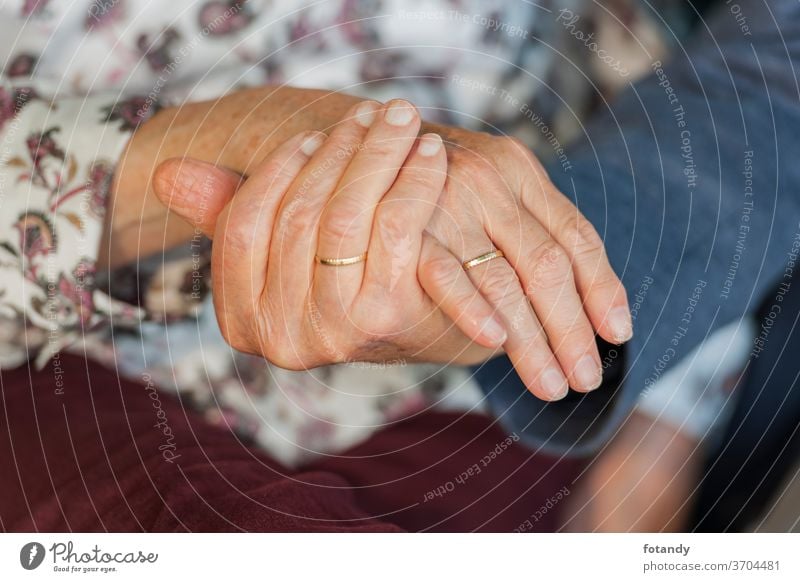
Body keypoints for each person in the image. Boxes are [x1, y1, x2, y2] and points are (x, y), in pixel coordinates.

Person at [2, 0, 800, 531]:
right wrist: (247, 138)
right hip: (67, 352)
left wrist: (652, 404)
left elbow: (760, 95)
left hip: (492, 392)